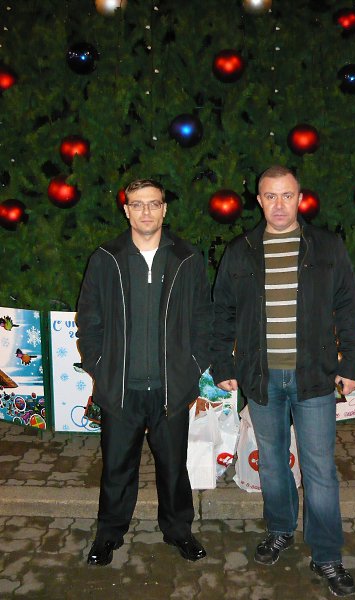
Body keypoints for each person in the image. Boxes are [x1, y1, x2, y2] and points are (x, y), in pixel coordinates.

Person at [210, 166, 355, 597]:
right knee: (273, 462)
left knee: (319, 468)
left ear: (300, 198)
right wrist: (222, 364)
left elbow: (348, 307)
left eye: (287, 195)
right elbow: (221, 312)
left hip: (313, 376)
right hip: (260, 377)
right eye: (270, 196)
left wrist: (354, 363)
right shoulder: (241, 251)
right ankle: (280, 529)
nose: (279, 204)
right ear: (259, 201)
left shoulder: (327, 246)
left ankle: (327, 554)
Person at [76, 178, 212, 566]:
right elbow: (89, 318)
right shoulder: (107, 257)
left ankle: (179, 531)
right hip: (121, 389)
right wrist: (100, 367)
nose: (146, 211)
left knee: (173, 469)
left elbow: (203, 317)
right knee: (117, 468)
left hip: (171, 388)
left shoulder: (186, 257)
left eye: (153, 204)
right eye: (137, 204)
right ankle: (108, 534)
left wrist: (193, 367)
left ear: (164, 209)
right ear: (126, 211)